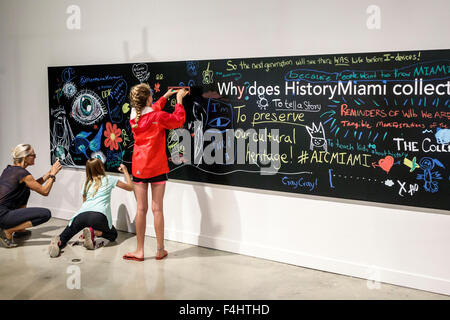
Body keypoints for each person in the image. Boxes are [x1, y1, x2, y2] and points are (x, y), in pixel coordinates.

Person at [123, 84, 187, 261]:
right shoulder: (157, 117)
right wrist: (179, 100)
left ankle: (140, 250)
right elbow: (178, 120)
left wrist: (165, 96)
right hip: (157, 166)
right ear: (148, 99)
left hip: (139, 167)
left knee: (141, 209)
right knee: (157, 209)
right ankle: (160, 250)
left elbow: (152, 110)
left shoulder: (134, 118)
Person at [48, 159, 133, 257]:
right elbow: (130, 187)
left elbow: (84, 203)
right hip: (99, 216)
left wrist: (86, 223)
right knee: (113, 235)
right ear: (101, 167)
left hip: (81, 216)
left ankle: (58, 243)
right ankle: (95, 232)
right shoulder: (109, 179)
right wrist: (125, 171)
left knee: (65, 236)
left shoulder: (86, 183)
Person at [0, 144, 62, 248]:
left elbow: (34, 184)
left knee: (25, 190)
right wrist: (53, 175)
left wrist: (49, 173)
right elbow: (45, 191)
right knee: (45, 214)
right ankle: (8, 231)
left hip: (2, 213)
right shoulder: (23, 174)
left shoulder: (9, 169)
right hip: (3, 215)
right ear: (25, 157)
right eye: (33, 155)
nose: (35, 157)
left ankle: (19, 230)